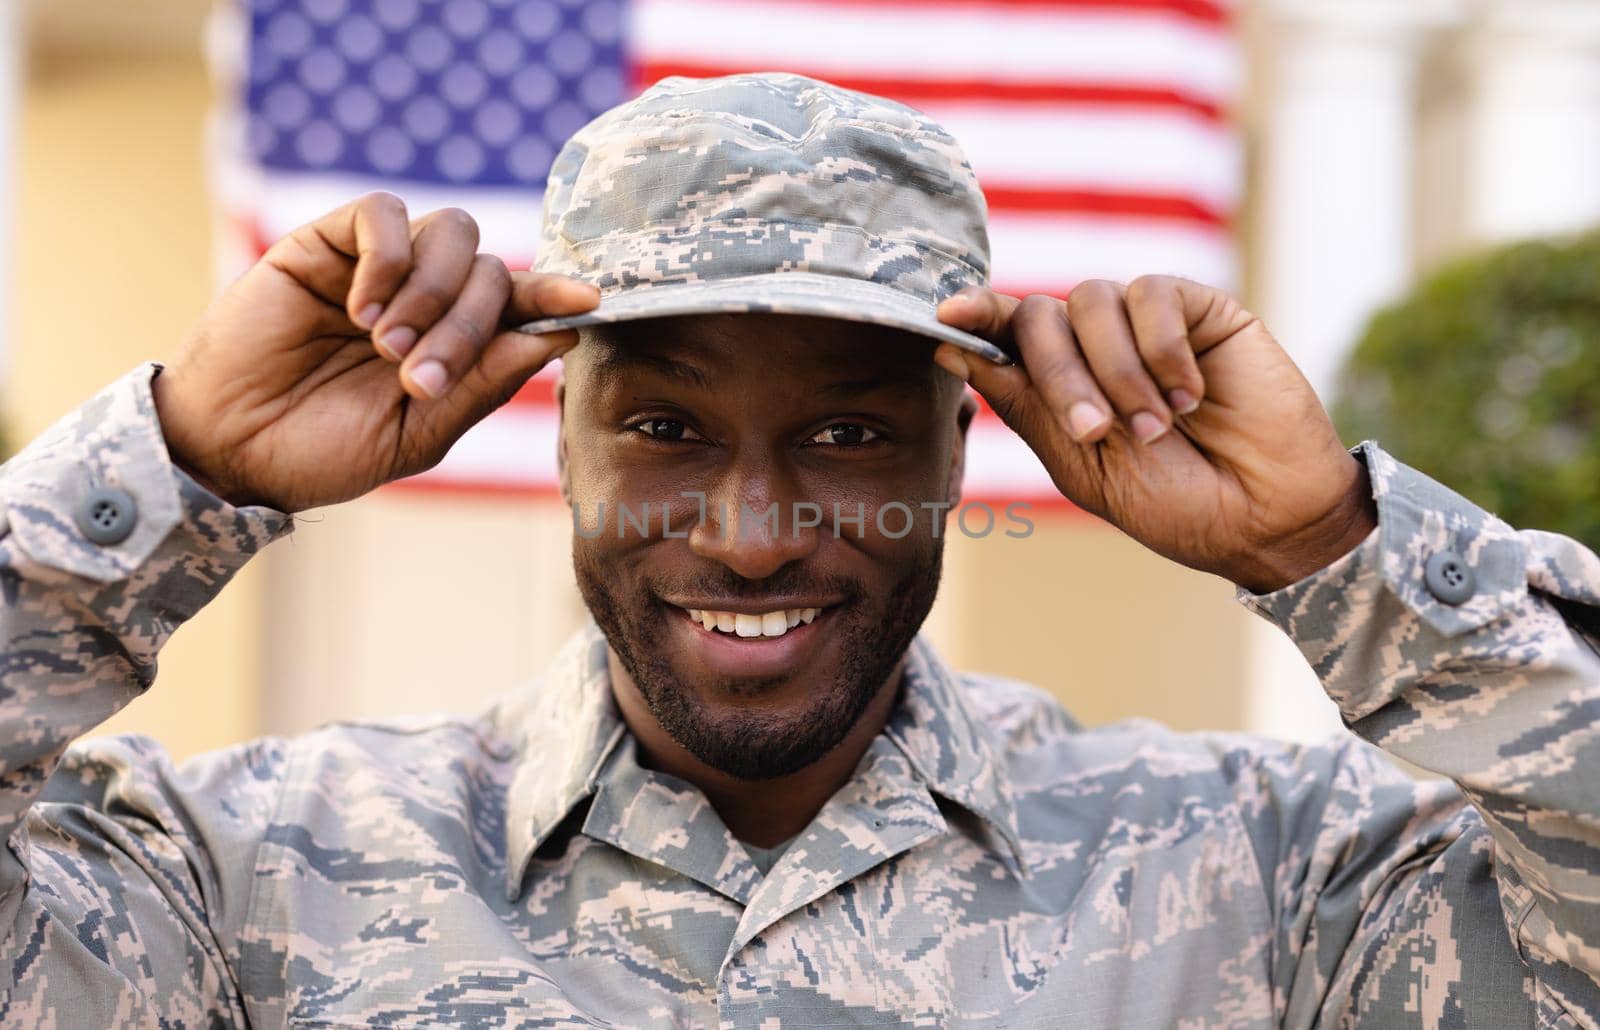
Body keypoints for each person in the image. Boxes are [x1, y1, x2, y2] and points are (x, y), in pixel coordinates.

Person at [1, 71, 1596, 1028]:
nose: (754, 535)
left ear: (964, 443)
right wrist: (177, 471)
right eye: (668, 429)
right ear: (556, 433)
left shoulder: (1266, 878)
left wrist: (1332, 545)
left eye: (846, 434)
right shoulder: (241, 876)